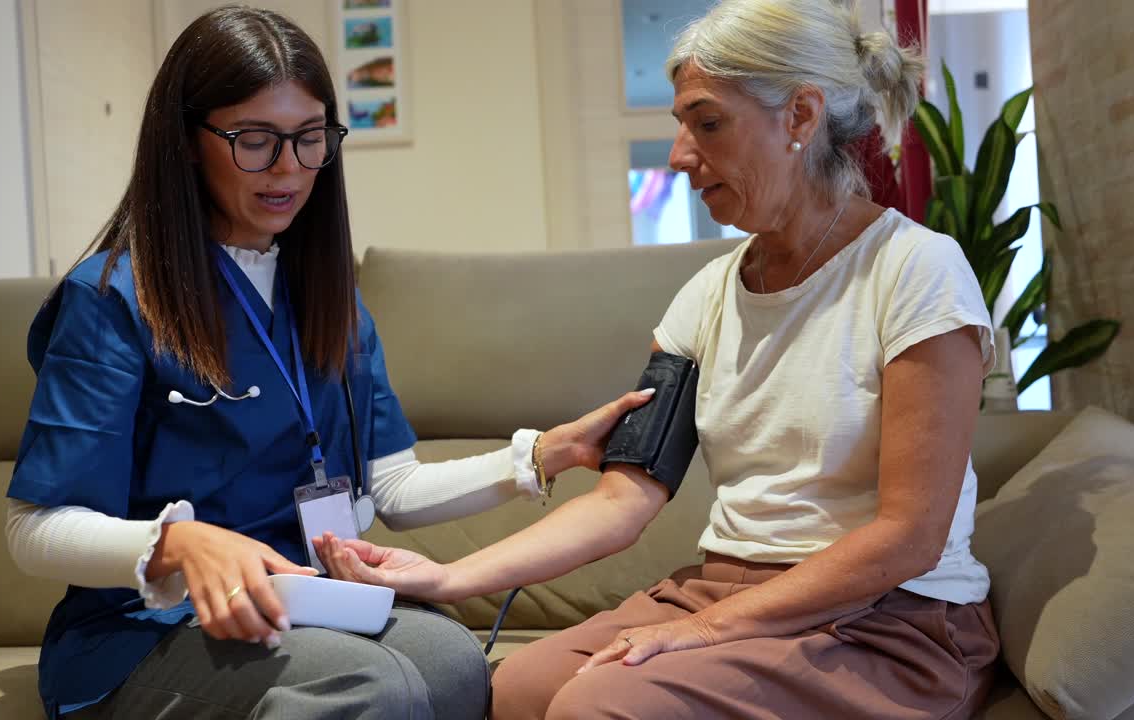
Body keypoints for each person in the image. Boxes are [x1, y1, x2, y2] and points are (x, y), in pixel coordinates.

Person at [314, 1, 1002, 718]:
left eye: (707, 123)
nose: (678, 155)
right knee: (517, 689)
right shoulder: (705, 298)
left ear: (800, 116)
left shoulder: (916, 271)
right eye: (680, 125)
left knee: (597, 707)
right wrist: (446, 578)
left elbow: (910, 536)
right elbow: (624, 499)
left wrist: (701, 632)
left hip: (885, 616)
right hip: (725, 591)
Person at [3, 6, 650, 719]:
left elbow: (391, 486)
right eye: (255, 140)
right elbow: (35, 529)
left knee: (453, 663)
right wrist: (180, 544)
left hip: (303, 603)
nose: (288, 168)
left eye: (310, 138)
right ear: (186, 141)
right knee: (370, 685)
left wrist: (547, 454)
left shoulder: (327, 296)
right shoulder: (113, 298)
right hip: (145, 631)